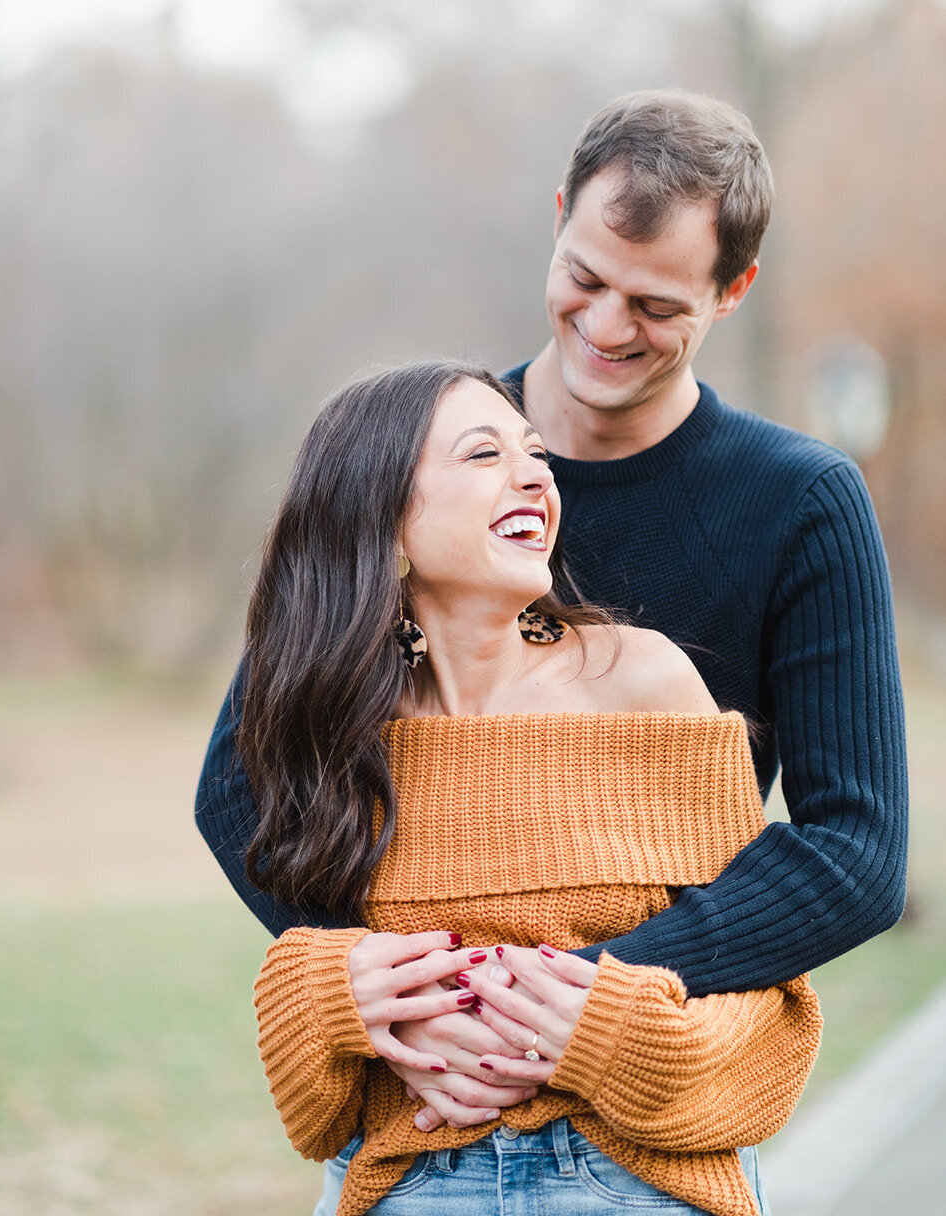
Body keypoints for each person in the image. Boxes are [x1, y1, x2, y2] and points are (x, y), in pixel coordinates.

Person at [196, 88, 907, 1133]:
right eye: (583, 277)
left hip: (647, 1084)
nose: (606, 326)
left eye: (657, 306)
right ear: (560, 211)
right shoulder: (425, 466)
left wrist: (577, 999)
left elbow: (854, 849)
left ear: (732, 288)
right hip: (429, 1105)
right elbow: (238, 783)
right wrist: (396, 991)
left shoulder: (799, 502)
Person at [245, 361, 822, 1215]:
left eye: (535, 453)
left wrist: (618, 1039)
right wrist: (326, 991)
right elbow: (314, 1110)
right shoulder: (336, 723)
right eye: (483, 455)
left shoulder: (644, 681)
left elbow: (775, 1004)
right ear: (387, 525)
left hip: (634, 1183)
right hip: (405, 1182)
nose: (534, 475)